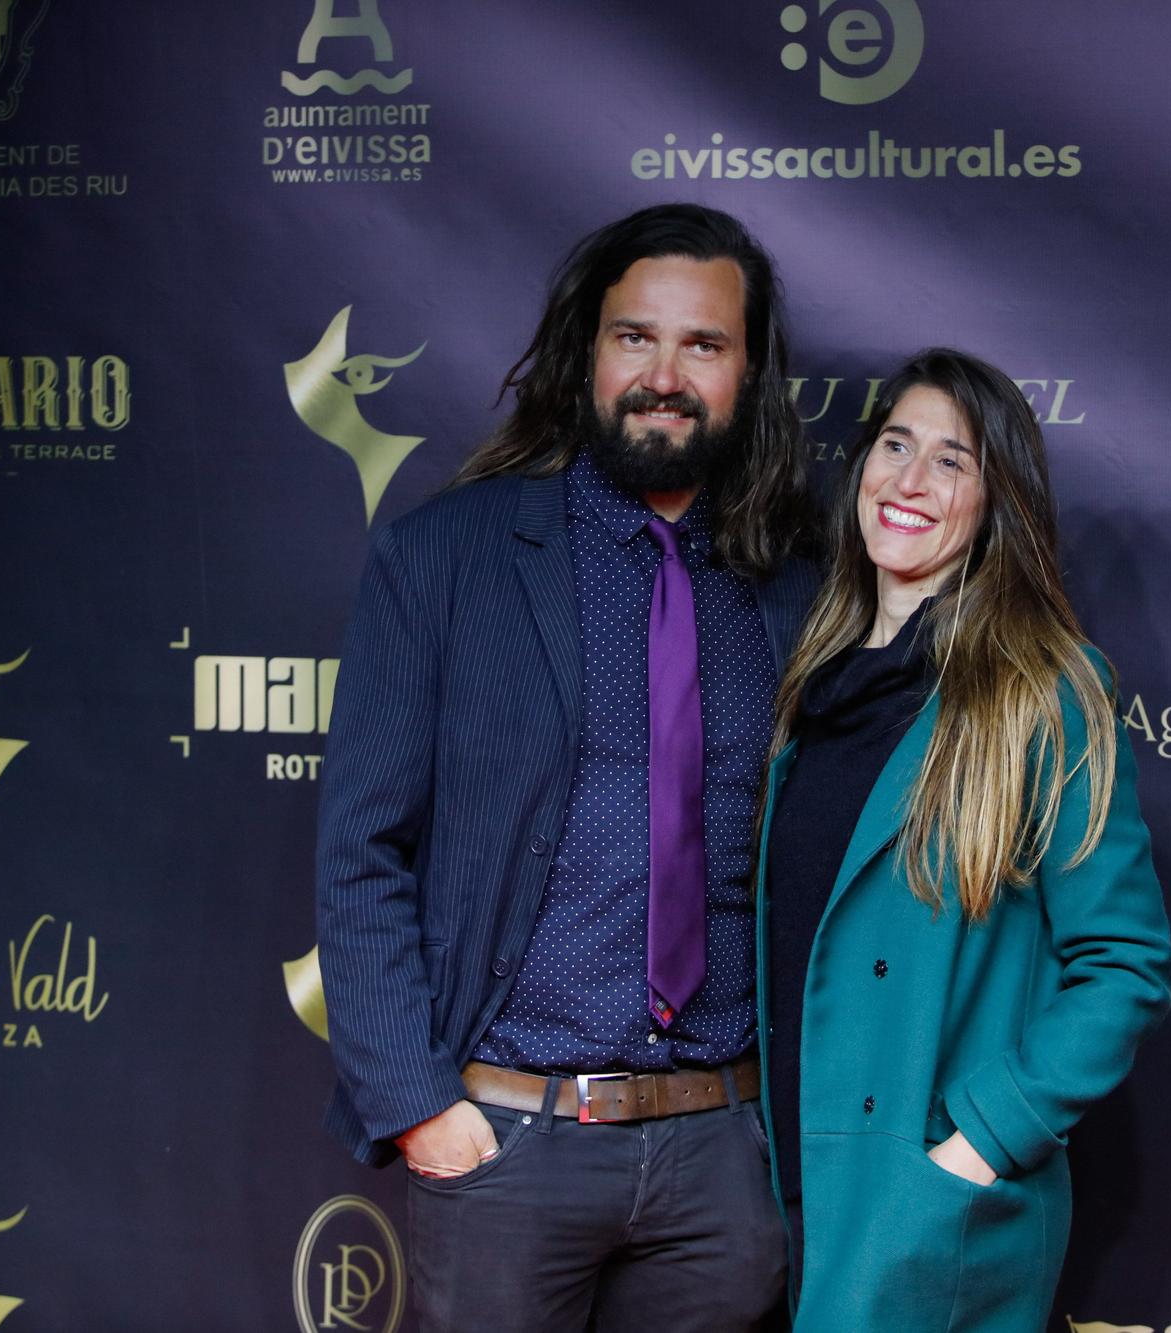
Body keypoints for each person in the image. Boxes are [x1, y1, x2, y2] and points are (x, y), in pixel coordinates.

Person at [314, 203, 818, 1332]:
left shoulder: (797, 588)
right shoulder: (445, 557)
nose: (664, 375)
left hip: (724, 1156)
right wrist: (419, 1107)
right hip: (509, 1144)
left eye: (704, 345)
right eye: (634, 337)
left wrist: (762, 1139)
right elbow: (360, 851)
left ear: (749, 370)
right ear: (585, 352)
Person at [757, 348, 1171, 1330]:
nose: (908, 479)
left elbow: (1122, 964)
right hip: (772, 1199)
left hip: (920, 1211)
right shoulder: (807, 688)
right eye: (894, 444)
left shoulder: (1042, 691)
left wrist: (974, 1144)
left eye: (950, 461)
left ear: (996, 503)